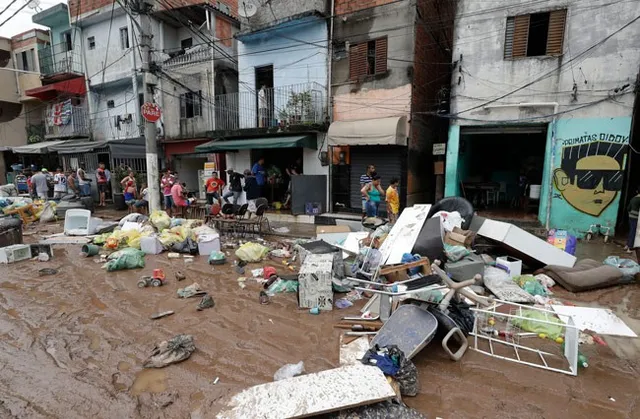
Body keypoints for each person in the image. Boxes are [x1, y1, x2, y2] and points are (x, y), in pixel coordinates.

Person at [625, 187, 640, 253]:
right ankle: (630, 247)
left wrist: (630, 214)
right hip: (636, 217)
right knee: (633, 232)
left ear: (637, 191)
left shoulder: (633, 198)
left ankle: (627, 245)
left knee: (631, 230)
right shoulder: (639, 199)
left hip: (631, 216)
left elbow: (628, 208)